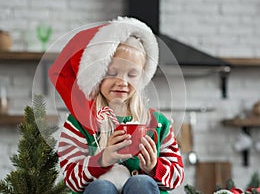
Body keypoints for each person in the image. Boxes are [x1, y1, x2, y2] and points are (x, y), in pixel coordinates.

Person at [49, 16, 184, 194]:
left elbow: (177, 175)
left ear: (142, 77)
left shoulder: (158, 123)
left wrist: (153, 167)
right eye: (111, 72)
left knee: (141, 183)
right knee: (100, 188)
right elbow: (72, 179)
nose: (122, 81)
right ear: (97, 76)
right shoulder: (78, 123)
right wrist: (102, 160)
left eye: (132, 74)